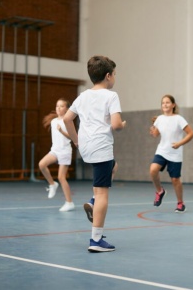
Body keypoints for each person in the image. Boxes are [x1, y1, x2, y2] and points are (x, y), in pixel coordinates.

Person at [63, 55, 126, 252]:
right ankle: (96, 240)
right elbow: (116, 125)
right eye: (114, 74)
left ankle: (92, 201)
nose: (115, 78)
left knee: (113, 166)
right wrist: (121, 125)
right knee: (102, 193)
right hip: (101, 147)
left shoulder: (82, 96)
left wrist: (76, 140)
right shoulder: (111, 96)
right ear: (108, 76)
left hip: (86, 148)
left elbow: (67, 119)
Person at [149, 95, 193, 213]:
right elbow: (156, 134)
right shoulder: (159, 119)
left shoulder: (179, 119)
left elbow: (190, 133)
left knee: (175, 180)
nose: (165, 104)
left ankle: (180, 203)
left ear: (173, 105)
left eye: (167, 102)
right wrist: (153, 132)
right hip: (162, 151)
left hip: (175, 153)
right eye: (163, 103)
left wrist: (180, 143)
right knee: (153, 170)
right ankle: (160, 191)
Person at [39, 98, 75, 211]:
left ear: (67, 108)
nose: (58, 108)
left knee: (61, 177)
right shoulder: (54, 121)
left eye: (61, 106)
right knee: (42, 165)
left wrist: (61, 131)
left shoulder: (68, 121)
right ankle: (52, 184)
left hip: (65, 151)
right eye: (57, 106)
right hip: (55, 150)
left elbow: (73, 137)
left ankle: (69, 203)